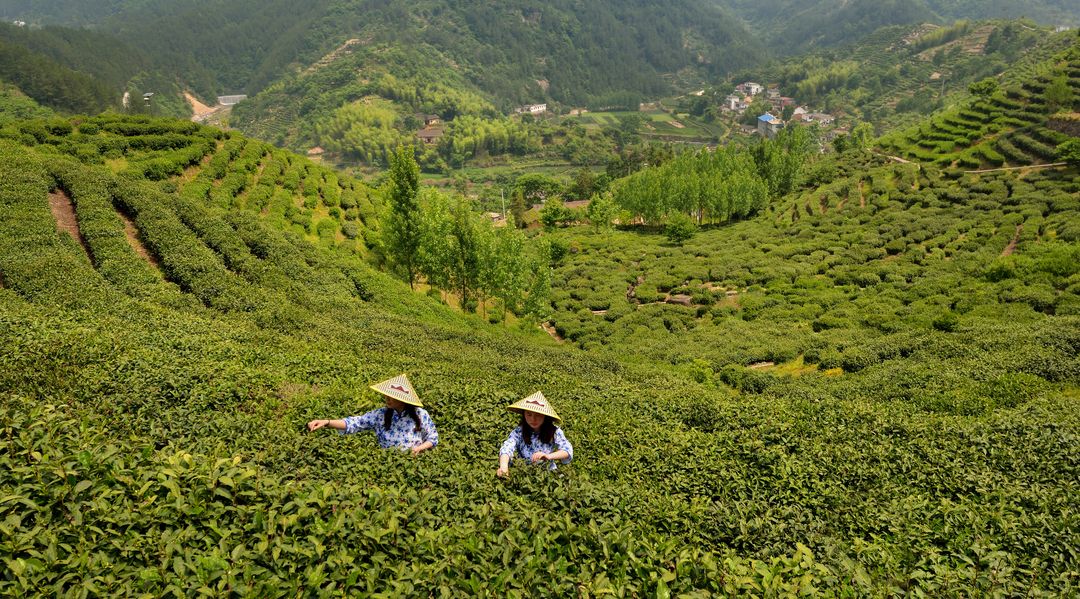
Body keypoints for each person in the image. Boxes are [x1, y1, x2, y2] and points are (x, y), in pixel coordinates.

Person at [307, 374, 438, 456]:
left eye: (392, 396)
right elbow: (355, 423)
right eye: (386, 395)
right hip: (386, 463)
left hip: (411, 465)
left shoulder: (420, 414)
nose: (387, 398)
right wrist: (327, 422)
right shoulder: (380, 414)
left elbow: (432, 438)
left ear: (403, 399)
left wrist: (419, 449)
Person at [497, 391, 573, 477]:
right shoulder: (519, 431)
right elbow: (507, 447)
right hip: (524, 472)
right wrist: (503, 467)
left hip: (548, 473)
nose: (533, 419)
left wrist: (548, 456)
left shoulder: (554, 431)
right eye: (529, 414)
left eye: (538, 415)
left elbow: (567, 449)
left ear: (545, 416)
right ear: (524, 414)